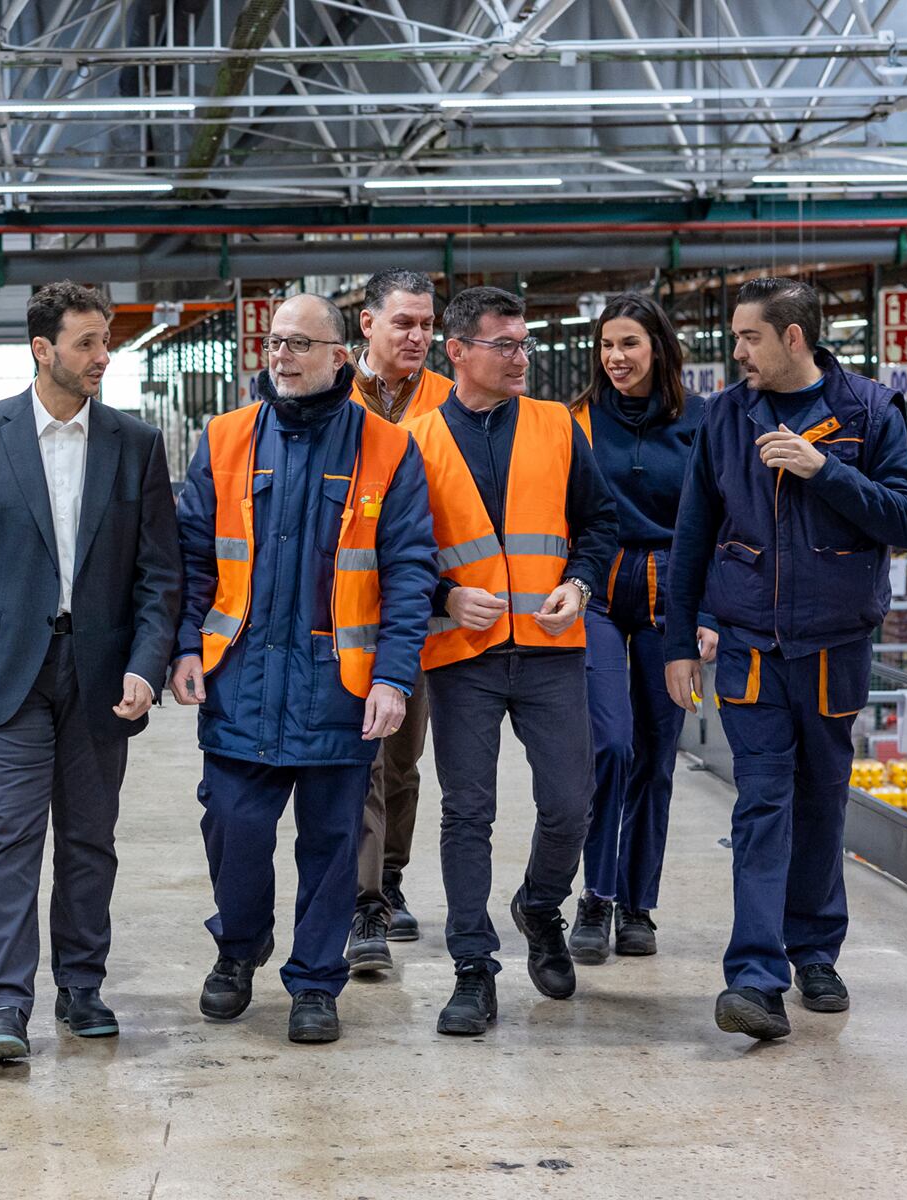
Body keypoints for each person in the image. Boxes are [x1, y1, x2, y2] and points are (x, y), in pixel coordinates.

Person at [0, 281, 182, 1062]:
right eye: (88, 343)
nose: (103, 357)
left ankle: (81, 985)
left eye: (107, 342)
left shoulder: (136, 443)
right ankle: (3, 1004)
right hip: (3, 669)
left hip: (101, 673)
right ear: (43, 350)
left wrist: (147, 663)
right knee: (9, 836)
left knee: (90, 839)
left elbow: (159, 576)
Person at [664, 278, 907, 1041]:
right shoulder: (725, 417)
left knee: (820, 803)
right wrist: (680, 643)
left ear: (795, 338)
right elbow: (692, 537)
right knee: (763, 804)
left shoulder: (870, 412)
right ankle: (754, 976)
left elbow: (906, 518)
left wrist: (825, 470)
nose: (736, 352)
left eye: (749, 338)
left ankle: (815, 951)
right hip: (750, 647)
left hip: (834, 647)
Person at [172, 294, 434, 1045]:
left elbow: (410, 571)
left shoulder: (387, 450)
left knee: (331, 845)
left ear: (338, 357)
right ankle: (239, 944)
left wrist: (392, 675)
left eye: (299, 344)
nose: (281, 356)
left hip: (339, 684)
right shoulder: (224, 439)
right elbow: (192, 553)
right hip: (240, 678)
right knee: (234, 828)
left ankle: (317, 982)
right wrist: (186, 645)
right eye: (276, 343)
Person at [402, 286, 618, 1036]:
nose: (522, 357)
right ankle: (472, 968)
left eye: (524, 344)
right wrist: (444, 595)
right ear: (457, 352)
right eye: (506, 345)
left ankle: (540, 904)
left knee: (569, 801)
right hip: (463, 655)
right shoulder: (415, 440)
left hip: (552, 649)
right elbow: (393, 553)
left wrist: (582, 582)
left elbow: (599, 522)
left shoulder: (558, 427)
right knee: (468, 811)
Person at [564, 294, 709, 965]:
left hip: (668, 594)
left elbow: (717, 521)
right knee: (611, 745)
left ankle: (637, 905)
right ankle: (594, 893)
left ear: (658, 347)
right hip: (595, 586)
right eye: (606, 346)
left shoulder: (699, 424)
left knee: (656, 755)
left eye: (628, 344)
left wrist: (707, 616)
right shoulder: (578, 421)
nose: (615, 358)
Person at [344, 267, 450, 970]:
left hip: (425, 612)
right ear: (367, 324)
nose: (418, 336)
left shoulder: (451, 398)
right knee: (364, 764)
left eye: (426, 324)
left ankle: (393, 879)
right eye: (404, 323)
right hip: (347, 612)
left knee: (405, 762)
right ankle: (364, 905)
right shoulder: (330, 394)